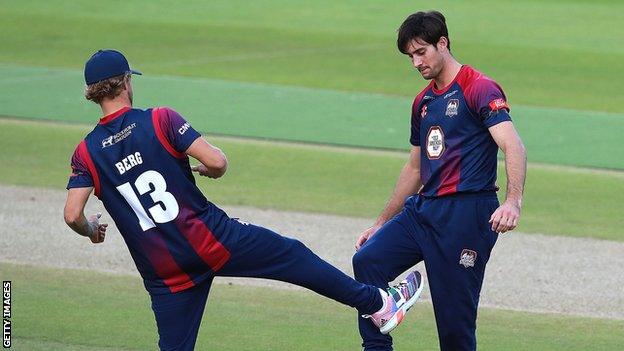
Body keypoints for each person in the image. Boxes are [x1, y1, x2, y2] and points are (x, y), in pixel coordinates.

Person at [63, 49, 424, 350]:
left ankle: (378, 303)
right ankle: (378, 304)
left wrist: (91, 229)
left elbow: (72, 214)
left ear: (93, 93)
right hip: (211, 240)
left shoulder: (87, 151)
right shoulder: (160, 119)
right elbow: (216, 161)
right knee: (291, 254)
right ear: (125, 82)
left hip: (164, 273)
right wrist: (212, 171)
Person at [352, 11, 527, 351]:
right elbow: (415, 169)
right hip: (423, 212)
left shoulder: (479, 87)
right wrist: (381, 222)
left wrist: (512, 201)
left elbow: (513, 144)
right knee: (368, 260)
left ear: (442, 43)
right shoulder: (423, 101)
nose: (416, 62)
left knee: (454, 327)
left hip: (467, 215)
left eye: (421, 52)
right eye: (410, 56)